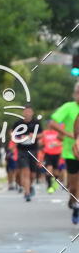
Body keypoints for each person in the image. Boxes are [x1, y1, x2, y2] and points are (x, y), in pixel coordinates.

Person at [50, 83, 79, 224]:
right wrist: (69, 134)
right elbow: (52, 123)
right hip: (71, 151)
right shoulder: (68, 107)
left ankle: (77, 205)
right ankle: (73, 201)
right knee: (73, 185)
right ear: (75, 94)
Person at [11, 105, 41, 202]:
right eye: (26, 111)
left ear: (32, 113)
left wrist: (34, 135)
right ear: (23, 113)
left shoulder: (36, 123)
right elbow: (12, 133)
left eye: (29, 111)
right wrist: (19, 137)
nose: (27, 113)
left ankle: (29, 186)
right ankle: (27, 193)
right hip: (22, 150)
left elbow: (42, 134)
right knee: (25, 172)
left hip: (33, 150)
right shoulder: (18, 123)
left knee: (32, 175)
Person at [39, 125, 63, 193]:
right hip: (48, 154)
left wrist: (57, 144)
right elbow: (41, 142)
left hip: (57, 153)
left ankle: (55, 183)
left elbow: (63, 142)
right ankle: (49, 186)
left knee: (56, 171)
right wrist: (40, 143)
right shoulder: (45, 133)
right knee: (49, 169)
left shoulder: (58, 132)